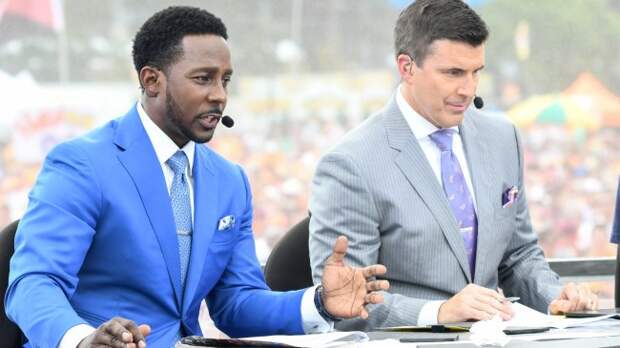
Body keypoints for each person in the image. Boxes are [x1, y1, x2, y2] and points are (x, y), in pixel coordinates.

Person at [5, 6, 390, 347]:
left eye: (225, 80)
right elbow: (34, 284)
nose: (220, 95)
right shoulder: (80, 164)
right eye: (203, 78)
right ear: (152, 80)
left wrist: (319, 302)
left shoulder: (229, 181)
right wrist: (82, 339)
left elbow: (235, 303)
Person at [308, 0, 597, 331]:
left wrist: (555, 295)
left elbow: (518, 257)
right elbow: (345, 301)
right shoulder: (350, 164)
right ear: (406, 67)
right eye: (453, 73)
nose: (468, 89)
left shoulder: (503, 138)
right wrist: (439, 312)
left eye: (476, 72)